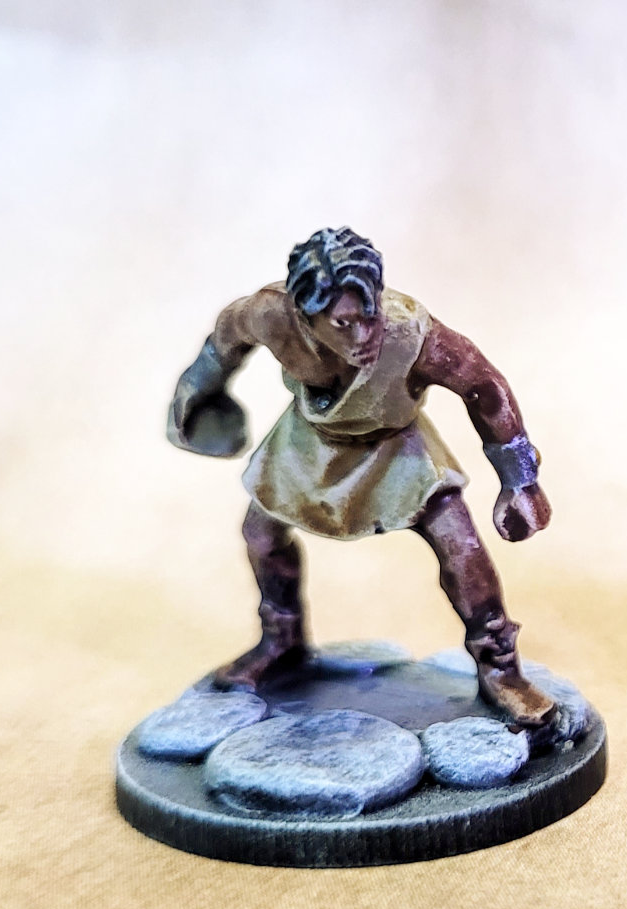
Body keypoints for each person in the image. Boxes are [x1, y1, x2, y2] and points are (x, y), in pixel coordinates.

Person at [167, 227, 556, 727]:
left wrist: (521, 480)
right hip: (308, 445)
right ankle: (281, 640)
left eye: (369, 315)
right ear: (304, 314)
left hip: (397, 449)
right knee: (261, 534)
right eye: (343, 323)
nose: (363, 335)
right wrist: (196, 396)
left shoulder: (413, 335)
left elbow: (483, 386)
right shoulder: (267, 315)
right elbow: (222, 344)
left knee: (461, 546)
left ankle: (500, 668)